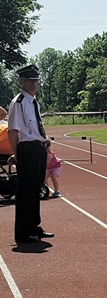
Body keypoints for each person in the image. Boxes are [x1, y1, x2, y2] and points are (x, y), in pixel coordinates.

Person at [7, 65, 53, 244]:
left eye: (36, 81)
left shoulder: (34, 102)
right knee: (26, 192)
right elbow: (13, 131)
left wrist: (46, 144)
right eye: (30, 81)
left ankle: (34, 227)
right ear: (22, 82)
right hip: (26, 149)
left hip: (38, 148)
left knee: (36, 189)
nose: (34, 84)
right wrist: (17, 154)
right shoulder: (18, 103)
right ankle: (23, 232)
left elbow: (37, 127)